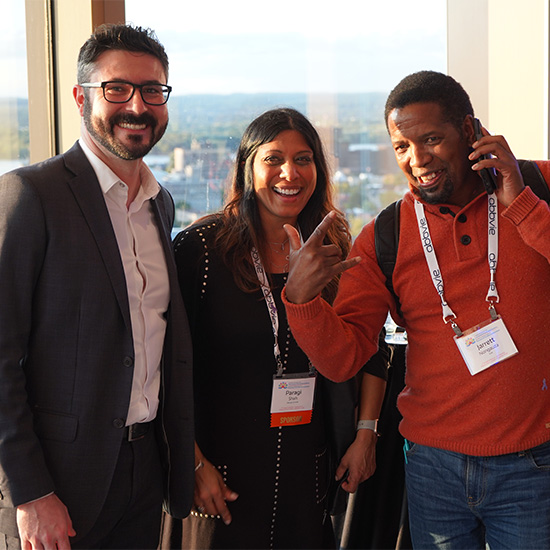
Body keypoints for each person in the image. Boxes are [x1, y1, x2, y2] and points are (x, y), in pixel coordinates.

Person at [282, 70, 550, 549]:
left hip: (534, 465)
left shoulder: (538, 187)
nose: (417, 160)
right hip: (433, 469)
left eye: (431, 139)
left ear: (470, 132)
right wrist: (302, 302)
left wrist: (523, 206)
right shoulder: (387, 235)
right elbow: (344, 358)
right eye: (402, 146)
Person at [0, 24, 194, 549]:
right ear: (80, 98)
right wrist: (30, 492)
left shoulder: (161, 203)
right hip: (59, 482)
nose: (138, 105)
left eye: (153, 90)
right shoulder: (29, 196)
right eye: (117, 89)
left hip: (144, 469)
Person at [160, 107, 389, 550]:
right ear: (248, 167)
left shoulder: (330, 248)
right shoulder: (200, 251)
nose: (290, 172)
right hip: (219, 476)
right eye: (273, 159)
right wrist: (189, 465)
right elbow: (163, 368)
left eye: (304, 159)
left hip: (307, 472)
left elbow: (370, 347)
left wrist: (366, 434)